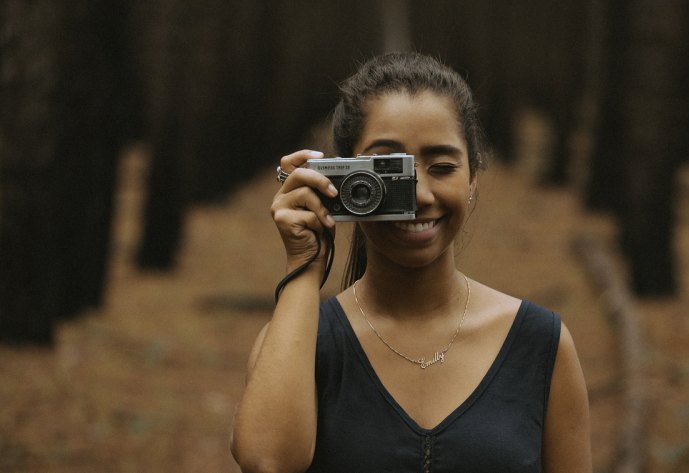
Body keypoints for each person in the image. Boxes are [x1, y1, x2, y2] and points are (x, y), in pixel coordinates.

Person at [231, 51, 591, 473]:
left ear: (473, 178)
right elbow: (267, 461)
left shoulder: (539, 345)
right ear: (342, 177)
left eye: (441, 166)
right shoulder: (302, 343)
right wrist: (305, 266)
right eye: (388, 170)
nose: (419, 195)